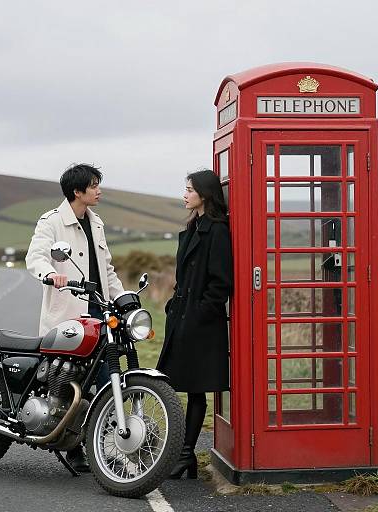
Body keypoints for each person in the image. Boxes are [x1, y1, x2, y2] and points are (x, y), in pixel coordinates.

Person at [26, 163, 124, 471]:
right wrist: (51, 274)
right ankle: (73, 446)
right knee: (71, 380)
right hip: (68, 313)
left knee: (107, 378)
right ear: (77, 192)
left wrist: (122, 297)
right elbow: (36, 257)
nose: (99, 191)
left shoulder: (96, 223)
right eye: (94, 186)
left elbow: (106, 269)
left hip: (99, 310)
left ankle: (102, 444)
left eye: (98, 185)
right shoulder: (52, 222)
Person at [157, 169, 232, 479]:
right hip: (183, 319)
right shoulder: (193, 227)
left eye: (189, 189)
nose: (184, 194)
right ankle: (183, 454)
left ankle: (186, 455)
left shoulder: (216, 230)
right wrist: (174, 305)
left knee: (196, 389)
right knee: (181, 387)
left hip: (201, 325)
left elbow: (221, 283)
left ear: (205, 194)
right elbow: (183, 278)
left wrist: (200, 312)